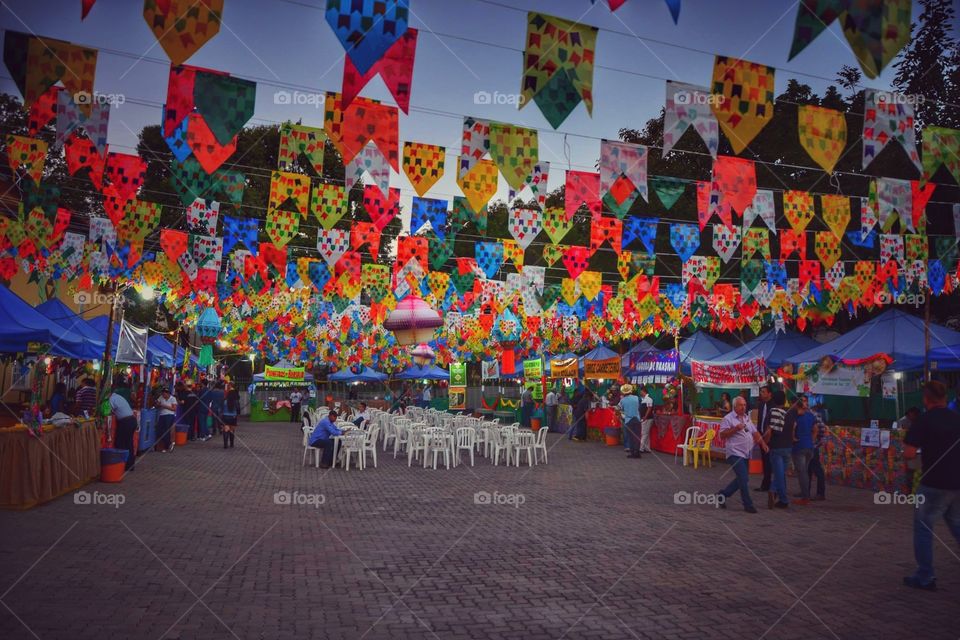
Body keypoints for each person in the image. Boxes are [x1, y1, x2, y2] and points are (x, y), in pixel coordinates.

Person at [902, 381, 960, 591]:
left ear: (926, 399)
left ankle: (925, 576)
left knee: (923, 529)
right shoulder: (956, 418)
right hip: (957, 482)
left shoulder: (924, 421)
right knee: (956, 524)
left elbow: (909, 454)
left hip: (933, 482)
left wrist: (916, 462)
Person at [716, 396, 768, 513]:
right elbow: (722, 435)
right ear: (735, 406)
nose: (743, 407)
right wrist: (735, 429)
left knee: (743, 479)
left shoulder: (746, 418)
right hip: (734, 452)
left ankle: (722, 495)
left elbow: (755, 432)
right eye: (741, 405)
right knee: (743, 478)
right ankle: (748, 504)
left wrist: (763, 443)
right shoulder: (728, 419)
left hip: (745, 453)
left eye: (744, 405)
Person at [762, 389, 792, 509]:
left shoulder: (772, 412)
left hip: (776, 446)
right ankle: (777, 494)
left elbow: (769, 431)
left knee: (779, 474)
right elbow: (794, 427)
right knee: (781, 473)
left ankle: (779, 495)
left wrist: (765, 443)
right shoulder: (789, 413)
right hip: (788, 446)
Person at [792, 396, 815, 505]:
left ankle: (805, 497)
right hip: (809, 446)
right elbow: (815, 429)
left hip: (799, 447)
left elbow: (792, 428)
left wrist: (793, 438)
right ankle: (804, 493)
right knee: (804, 472)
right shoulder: (810, 416)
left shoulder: (796, 416)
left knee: (802, 473)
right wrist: (812, 440)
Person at [110, 390, 138, 472]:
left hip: (126, 422)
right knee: (128, 443)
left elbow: (108, 411)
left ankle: (121, 465)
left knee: (120, 443)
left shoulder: (111, 399)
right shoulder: (119, 397)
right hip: (132, 420)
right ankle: (129, 465)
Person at [754, 384, 774, 492]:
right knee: (764, 460)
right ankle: (766, 483)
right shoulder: (761, 404)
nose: (761, 394)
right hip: (761, 434)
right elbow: (759, 419)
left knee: (769, 461)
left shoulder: (774, 405)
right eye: (761, 392)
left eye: (763, 392)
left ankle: (767, 484)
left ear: (769, 393)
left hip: (770, 436)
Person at [618, 384, 642, 459]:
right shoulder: (636, 397)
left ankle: (632, 452)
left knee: (631, 437)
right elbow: (639, 406)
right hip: (637, 419)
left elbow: (618, 408)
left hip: (628, 420)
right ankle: (637, 452)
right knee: (637, 436)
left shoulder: (622, 400)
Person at [155, 388, 178, 453]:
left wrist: (164, 406)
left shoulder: (173, 399)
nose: (163, 395)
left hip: (169, 416)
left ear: (168, 393)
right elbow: (157, 404)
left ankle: (167, 446)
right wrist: (158, 404)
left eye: (164, 394)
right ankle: (163, 445)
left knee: (166, 431)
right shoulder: (161, 397)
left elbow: (174, 409)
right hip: (162, 415)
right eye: (162, 393)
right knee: (159, 430)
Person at [638, 385, 654, 453]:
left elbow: (649, 408)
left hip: (647, 418)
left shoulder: (649, 399)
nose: (640, 392)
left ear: (643, 391)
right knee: (646, 433)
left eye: (641, 391)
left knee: (644, 433)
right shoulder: (643, 399)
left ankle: (641, 448)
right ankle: (647, 448)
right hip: (645, 418)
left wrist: (645, 417)